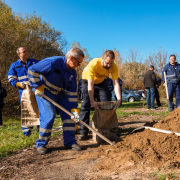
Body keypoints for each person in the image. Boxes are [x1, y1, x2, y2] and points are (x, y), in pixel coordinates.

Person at [28, 48, 84, 154]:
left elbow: (72, 92)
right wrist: (37, 86)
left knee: (70, 116)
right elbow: (32, 70)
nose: (79, 65)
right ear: (71, 58)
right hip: (45, 92)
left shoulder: (72, 73)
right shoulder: (52, 62)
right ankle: (41, 144)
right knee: (49, 115)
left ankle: (70, 142)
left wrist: (74, 109)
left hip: (60, 94)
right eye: (79, 62)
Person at [79, 50, 121, 140]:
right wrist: (92, 101)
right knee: (85, 105)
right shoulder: (94, 64)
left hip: (101, 82)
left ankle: (107, 131)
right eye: (107, 63)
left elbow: (116, 83)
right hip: (87, 81)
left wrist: (119, 99)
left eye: (111, 63)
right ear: (102, 58)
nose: (109, 65)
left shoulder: (114, 66)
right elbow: (90, 85)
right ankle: (83, 132)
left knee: (106, 105)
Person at [8, 47, 39, 136]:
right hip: (24, 92)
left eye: (26, 51)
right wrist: (19, 84)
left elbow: (42, 74)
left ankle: (39, 128)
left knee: (38, 108)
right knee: (26, 111)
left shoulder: (35, 62)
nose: (26, 53)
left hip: (36, 90)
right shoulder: (14, 66)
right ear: (19, 54)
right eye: (24, 52)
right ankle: (26, 132)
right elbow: (11, 79)